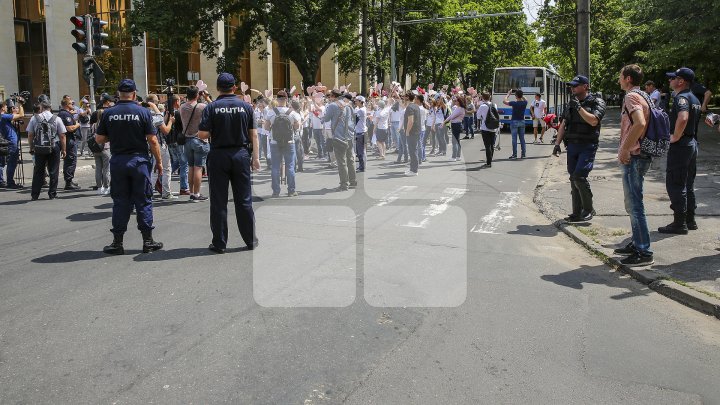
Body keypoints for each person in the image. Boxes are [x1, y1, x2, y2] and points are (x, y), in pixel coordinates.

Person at [95, 79, 164, 255]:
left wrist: (116, 136)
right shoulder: (143, 112)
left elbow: (100, 140)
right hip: (139, 161)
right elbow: (153, 140)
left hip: (118, 161)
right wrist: (159, 162)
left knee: (120, 202)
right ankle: (147, 241)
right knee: (143, 200)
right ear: (134, 94)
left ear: (118, 94)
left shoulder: (108, 113)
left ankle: (117, 243)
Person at [198, 73, 260, 253]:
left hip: (218, 155)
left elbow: (203, 134)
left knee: (219, 201)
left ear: (218, 88)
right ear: (234, 88)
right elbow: (253, 134)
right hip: (241, 154)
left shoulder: (211, 107)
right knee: (244, 200)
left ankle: (220, 243)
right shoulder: (246, 106)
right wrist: (255, 157)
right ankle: (250, 240)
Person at [615, 64, 654, 266]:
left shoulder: (631, 97)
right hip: (640, 155)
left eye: (621, 76)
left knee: (635, 204)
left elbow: (639, 123)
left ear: (628, 78)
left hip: (634, 156)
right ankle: (637, 242)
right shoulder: (644, 95)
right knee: (632, 204)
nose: (619, 79)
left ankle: (643, 251)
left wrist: (624, 148)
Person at [552, 75, 606, 222]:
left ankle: (588, 209)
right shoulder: (571, 104)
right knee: (573, 178)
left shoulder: (597, 101)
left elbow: (594, 121)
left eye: (575, 86)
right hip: (572, 145)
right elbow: (563, 124)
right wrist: (557, 143)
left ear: (585, 86)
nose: (572, 88)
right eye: (571, 86)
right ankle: (576, 212)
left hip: (587, 145)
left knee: (579, 176)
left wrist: (579, 108)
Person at [658, 67, 701, 234]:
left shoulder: (681, 98)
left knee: (675, 183)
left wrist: (675, 136)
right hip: (691, 143)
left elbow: (683, 118)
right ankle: (690, 220)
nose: (670, 81)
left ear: (681, 81)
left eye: (672, 78)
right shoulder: (694, 98)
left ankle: (679, 223)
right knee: (687, 184)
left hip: (682, 145)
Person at [27, 99, 66, 200]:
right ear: (50, 107)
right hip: (54, 146)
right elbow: (62, 136)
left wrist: (31, 147)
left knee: (38, 171)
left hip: (39, 147)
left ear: (41, 107)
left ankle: (35, 194)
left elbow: (30, 135)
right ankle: (52, 193)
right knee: (53, 170)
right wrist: (64, 149)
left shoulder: (34, 118)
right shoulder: (56, 118)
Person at [264, 90, 300, 197]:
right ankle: (291, 190)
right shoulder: (292, 112)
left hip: (275, 142)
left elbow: (266, 127)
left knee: (275, 166)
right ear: (286, 99)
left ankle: (276, 191)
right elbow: (297, 126)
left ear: (277, 99)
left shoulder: (271, 112)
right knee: (290, 166)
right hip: (289, 142)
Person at [323, 89, 356, 191]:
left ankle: (344, 184)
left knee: (341, 161)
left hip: (338, 136)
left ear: (333, 96)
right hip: (349, 135)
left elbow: (326, 119)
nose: (329, 98)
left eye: (330, 96)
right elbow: (353, 119)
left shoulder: (332, 105)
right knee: (350, 160)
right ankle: (353, 181)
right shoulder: (348, 105)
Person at [180, 86, 209, 201]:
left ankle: (191, 192)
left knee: (191, 167)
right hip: (199, 139)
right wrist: (206, 97)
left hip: (187, 140)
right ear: (197, 95)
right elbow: (213, 106)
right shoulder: (202, 106)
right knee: (198, 168)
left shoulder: (182, 107)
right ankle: (197, 194)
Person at [146, 94, 175, 200]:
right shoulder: (154, 114)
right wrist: (171, 122)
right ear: (153, 103)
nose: (159, 104)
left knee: (154, 169)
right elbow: (165, 130)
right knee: (164, 169)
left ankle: (149, 192)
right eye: (157, 102)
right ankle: (165, 192)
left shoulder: (144, 113)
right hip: (159, 144)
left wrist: (166, 117)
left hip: (148, 145)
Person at [0, 98, 26, 189]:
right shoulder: (3, 116)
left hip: (8, 141)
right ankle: (10, 182)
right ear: (2, 108)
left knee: (6, 162)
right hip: (11, 142)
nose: (7, 107)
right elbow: (21, 115)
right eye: (6, 106)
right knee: (11, 163)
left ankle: (5, 181)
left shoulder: (3, 117)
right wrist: (20, 104)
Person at [57, 97, 81, 190]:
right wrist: (78, 124)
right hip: (69, 140)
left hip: (68, 140)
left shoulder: (64, 113)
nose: (73, 105)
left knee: (70, 160)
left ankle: (69, 181)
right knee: (71, 160)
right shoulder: (65, 114)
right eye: (71, 103)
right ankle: (68, 182)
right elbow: (69, 128)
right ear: (67, 105)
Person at [503, 89, 528, 159]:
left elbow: (504, 101)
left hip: (514, 121)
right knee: (522, 139)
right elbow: (526, 99)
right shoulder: (524, 103)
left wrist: (508, 94)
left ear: (516, 96)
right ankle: (523, 154)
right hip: (522, 121)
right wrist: (520, 94)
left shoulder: (514, 103)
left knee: (514, 139)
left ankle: (514, 154)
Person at [403, 93, 423, 176]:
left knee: (412, 151)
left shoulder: (410, 107)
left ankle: (414, 171)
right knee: (413, 150)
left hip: (412, 132)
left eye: (404, 97)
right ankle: (412, 169)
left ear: (407, 98)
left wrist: (407, 131)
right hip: (416, 131)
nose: (403, 99)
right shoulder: (415, 106)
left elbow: (410, 121)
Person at [476, 92, 496, 168]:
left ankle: (488, 162)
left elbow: (478, 117)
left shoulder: (482, 106)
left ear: (483, 98)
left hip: (485, 127)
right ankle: (490, 160)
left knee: (487, 146)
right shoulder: (494, 105)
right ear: (490, 97)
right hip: (493, 127)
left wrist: (483, 118)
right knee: (492, 145)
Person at [444, 95, 465, 161]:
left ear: (459, 102)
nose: (455, 102)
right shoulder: (459, 108)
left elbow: (451, 116)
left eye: (456, 101)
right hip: (456, 124)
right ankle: (458, 156)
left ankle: (454, 157)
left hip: (456, 125)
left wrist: (444, 122)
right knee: (457, 140)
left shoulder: (459, 108)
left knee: (454, 141)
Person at [354, 95, 368, 172]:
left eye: (356, 101)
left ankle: (362, 167)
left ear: (360, 101)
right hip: (362, 131)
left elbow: (354, 119)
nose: (355, 102)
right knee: (362, 151)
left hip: (361, 132)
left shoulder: (361, 110)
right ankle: (362, 166)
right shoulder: (362, 109)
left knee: (360, 151)